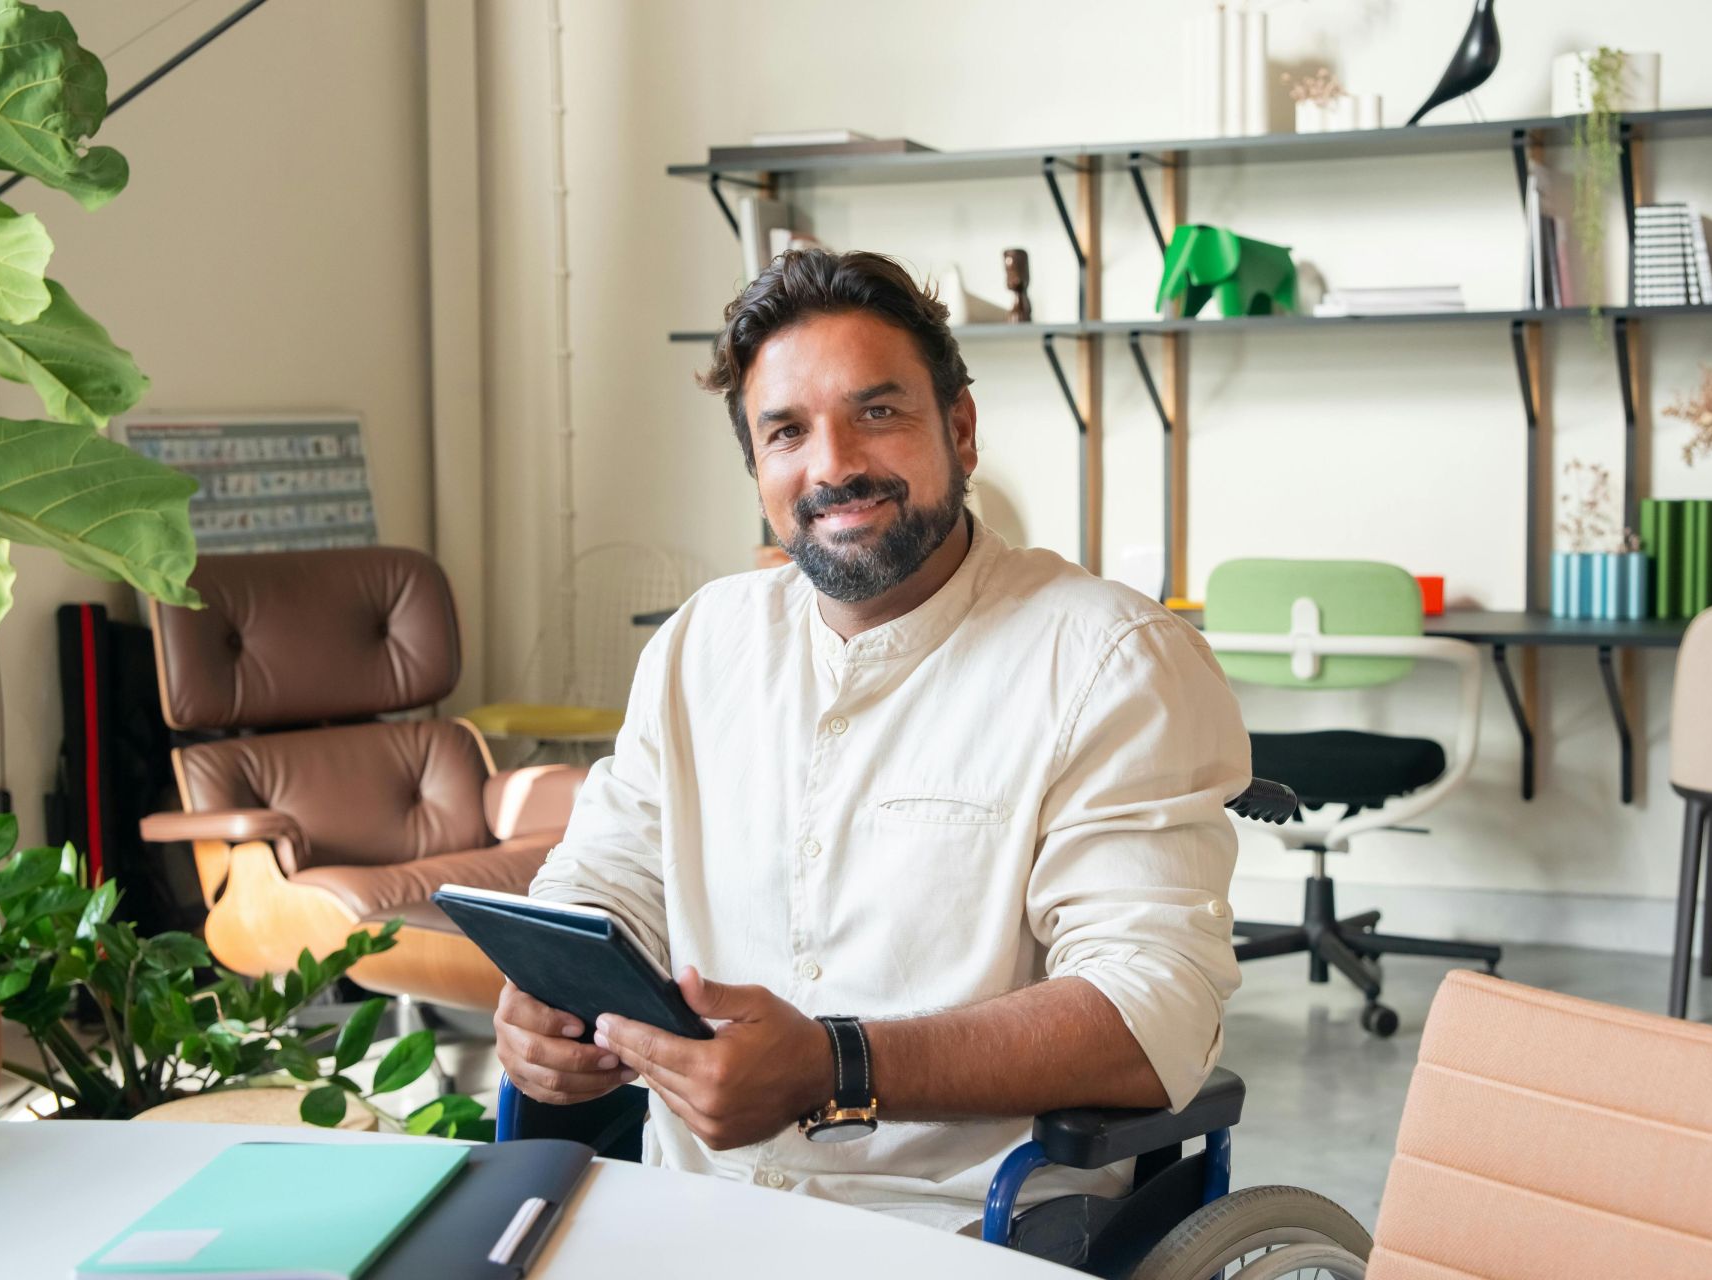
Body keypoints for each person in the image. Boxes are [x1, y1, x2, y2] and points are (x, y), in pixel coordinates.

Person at [498, 248, 1251, 1232]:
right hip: (683, 1205)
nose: (834, 463)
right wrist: (542, 1008)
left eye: (879, 412)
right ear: (758, 467)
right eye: (786, 432)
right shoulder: (700, 644)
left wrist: (835, 1063)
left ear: (962, 428)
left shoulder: (1112, 660)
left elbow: (1151, 1014)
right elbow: (607, 877)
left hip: (962, 1226)